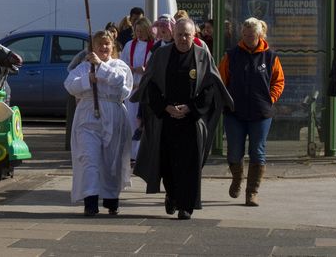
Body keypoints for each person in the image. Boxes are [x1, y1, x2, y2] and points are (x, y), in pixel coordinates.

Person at [131, 19, 233, 220]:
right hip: (166, 118)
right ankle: (172, 195)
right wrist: (165, 107)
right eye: (179, 35)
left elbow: (210, 87)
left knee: (189, 164)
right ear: (172, 35)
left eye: (187, 35)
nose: (183, 39)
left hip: (191, 120)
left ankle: (186, 205)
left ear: (193, 35)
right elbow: (150, 85)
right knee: (167, 163)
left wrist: (190, 108)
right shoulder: (161, 55)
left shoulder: (202, 55)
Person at [64, 30, 134, 216]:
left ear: (112, 46)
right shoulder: (83, 67)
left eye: (107, 44)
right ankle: (90, 201)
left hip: (113, 116)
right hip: (88, 118)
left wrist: (101, 68)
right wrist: (88, 79)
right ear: (92, 47)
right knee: (90, 158)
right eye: (99, 44)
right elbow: (70, 85)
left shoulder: (119, 65)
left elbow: (121, 85)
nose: (103, 47)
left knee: (112, 160)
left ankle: (111, 200)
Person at [218, 17, 284, 207]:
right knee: (234, 152)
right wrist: (225, 101)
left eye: (252, 36)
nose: (248, 39)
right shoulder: (231, 55)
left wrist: (270, 98)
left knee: (258, 152)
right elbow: (221, 79)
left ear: (260, 35)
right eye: (245, 35)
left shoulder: (270, 56)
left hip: (261, 113)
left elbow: (279, 81)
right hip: (234, 113)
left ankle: (252, 192)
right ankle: (237, 179)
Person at [121, 17, 155, 162]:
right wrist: (133, 69)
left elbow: (154, 66)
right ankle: (132, 154)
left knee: (142, 121)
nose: (139, 34)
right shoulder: (130, 45)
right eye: (137, 31)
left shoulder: (154, 46)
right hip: (132, 88)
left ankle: (142, 153)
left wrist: (145, 69)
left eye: (142, 31)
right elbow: (123, 64)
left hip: (145, 88)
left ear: (148, 31)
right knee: (131, 120)